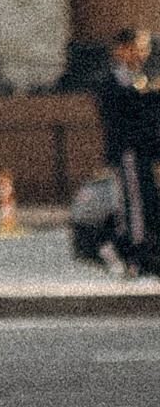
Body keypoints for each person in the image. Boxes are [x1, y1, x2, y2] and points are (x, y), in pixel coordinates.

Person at [96, 29, 156, 273]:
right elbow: (121, 110)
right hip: (127, 149)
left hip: (140, 148)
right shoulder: (112, 78)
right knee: (133, 203)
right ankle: (132, 250)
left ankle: (134, 248)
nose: (138, 54)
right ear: (120, 49)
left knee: (141, 199)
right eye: (133, 48)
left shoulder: (136, 77)